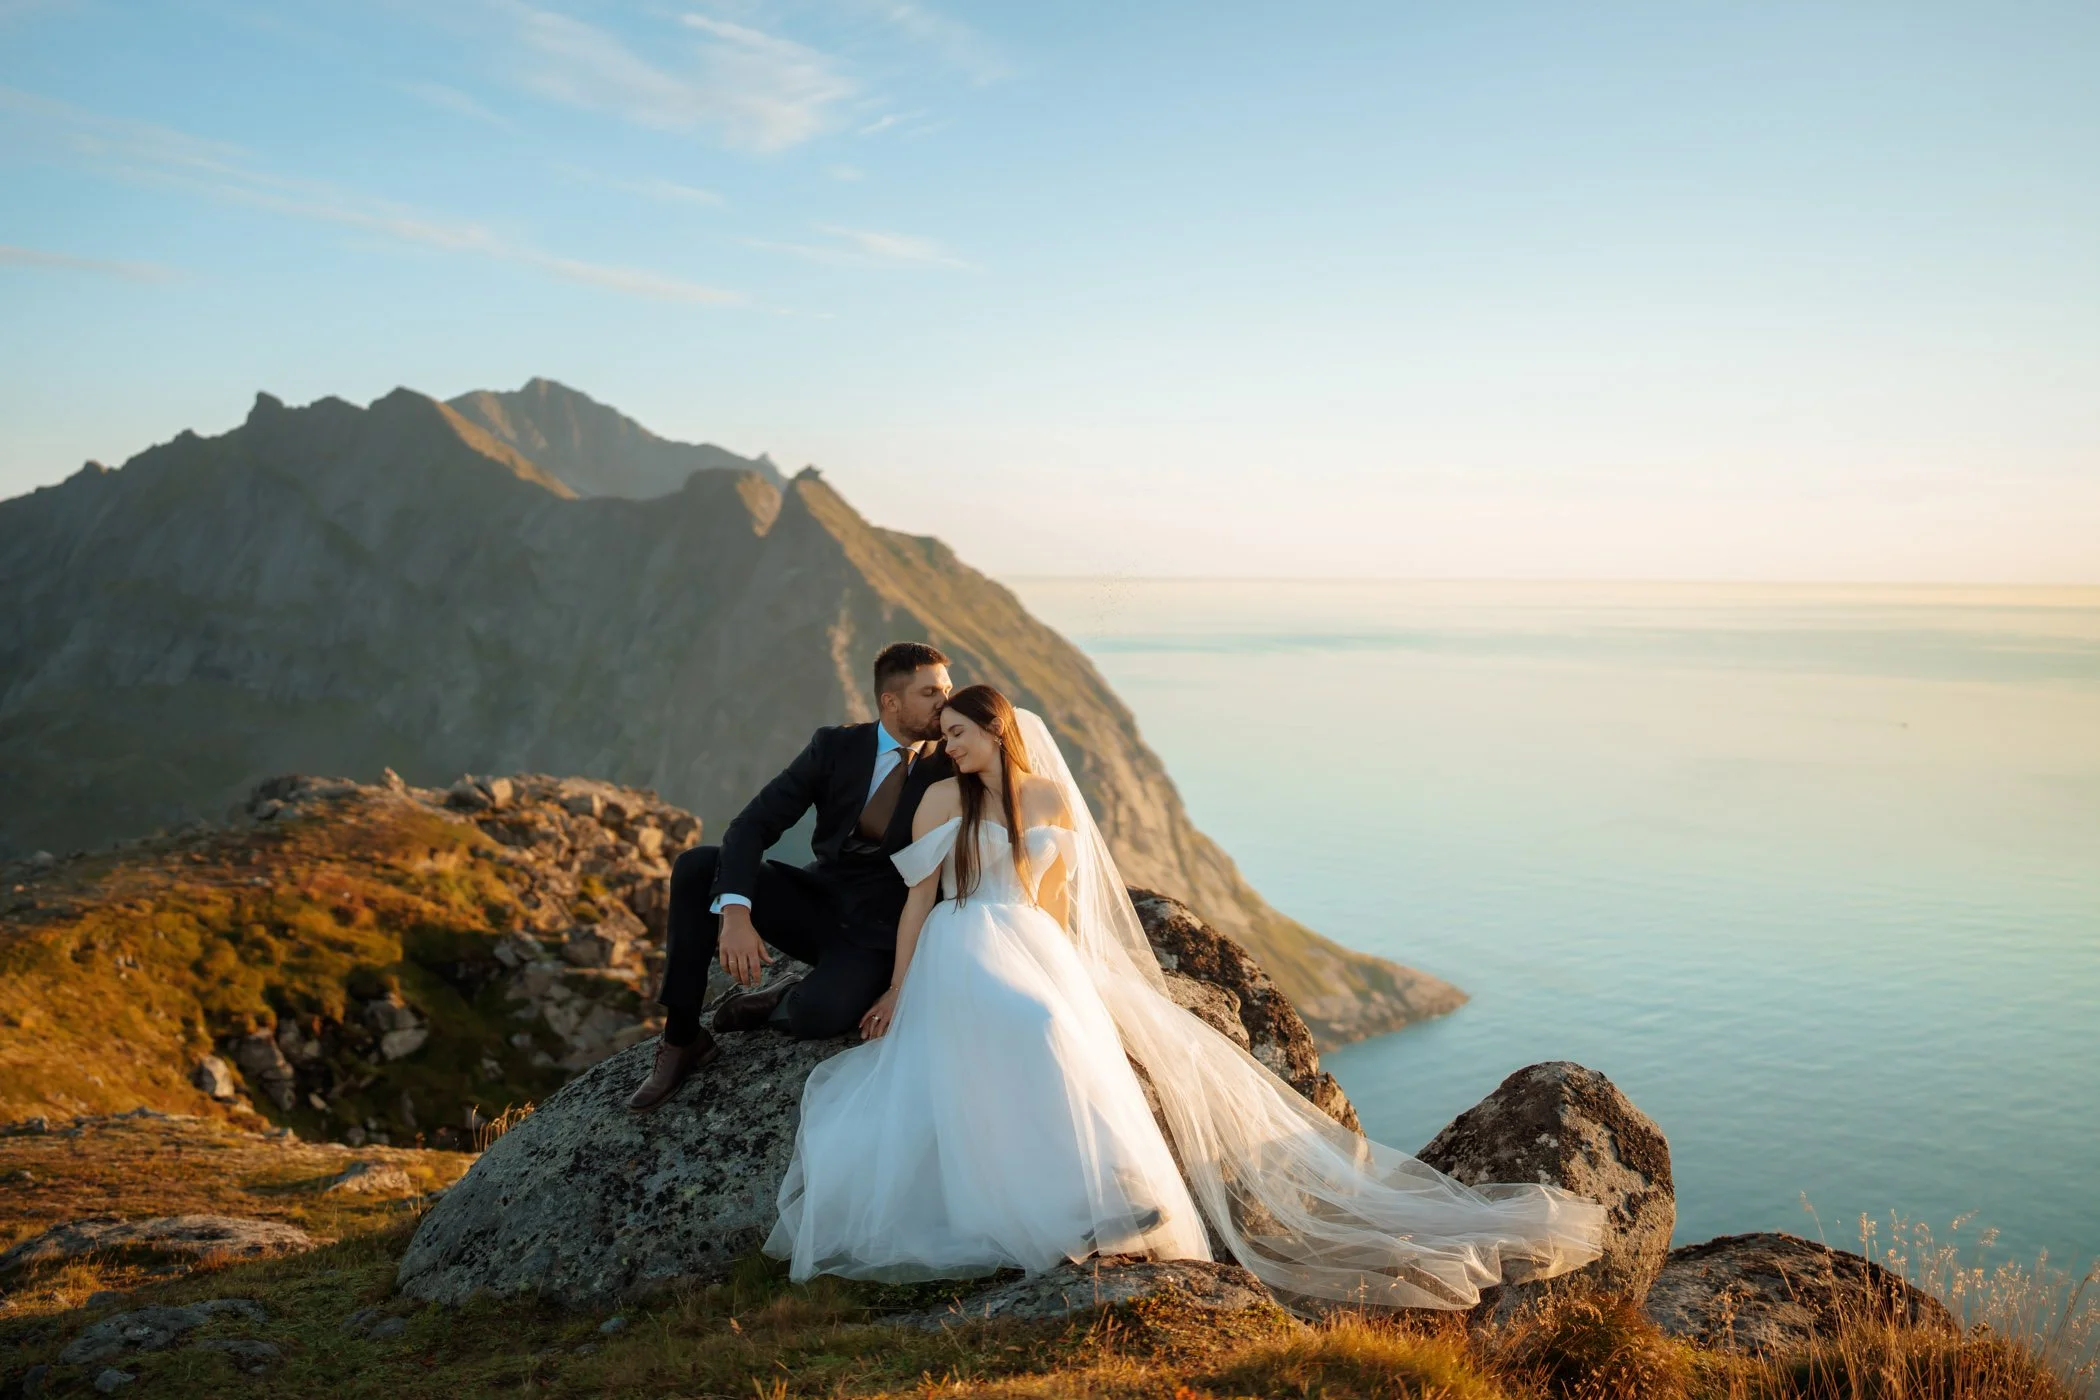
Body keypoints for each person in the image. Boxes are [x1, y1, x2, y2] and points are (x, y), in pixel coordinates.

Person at [765, 684, 1609, 1309]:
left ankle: (1105, 1203)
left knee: (1063, 1026)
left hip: (1027, 940)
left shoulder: (1049, 798)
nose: (947, 747)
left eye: (958, 733)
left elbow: (1053, 904)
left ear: (996, 730)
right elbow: (919, 899)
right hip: (960, 940)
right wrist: (900, 988)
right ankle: (1043, 1209)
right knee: (1032, 1025)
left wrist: (1075, 973)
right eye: (944, 734)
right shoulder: (943, 798)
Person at [626, 642, 955, 1113]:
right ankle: (681, 1039)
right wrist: (735, 913)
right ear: (891, 701)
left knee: (818, 1015)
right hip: (817, 901)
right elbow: (752, 825)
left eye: (947, 690)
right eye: (930, 692)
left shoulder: (952, 763)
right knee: (697, 865)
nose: (945, 702)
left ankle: (780, 996)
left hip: (880, 933)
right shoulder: (835, 746)